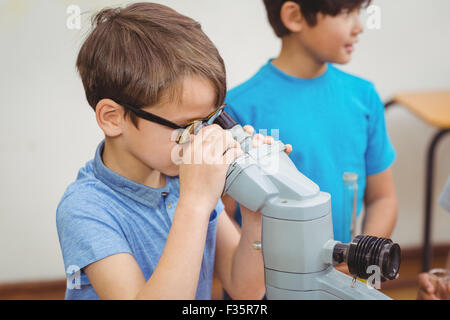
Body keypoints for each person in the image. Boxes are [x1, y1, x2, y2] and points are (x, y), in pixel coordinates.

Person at [56, 2, 291, 300]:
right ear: (113, 118)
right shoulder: (85, 208)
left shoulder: (182, 177)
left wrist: (256, 203)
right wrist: (194, 203)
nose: (203, 137)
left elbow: (246, 289)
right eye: (187, 126)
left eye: (211, 120)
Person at [223, 0, 398, 276]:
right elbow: (222, 218)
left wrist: (357, 261)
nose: (359, 27)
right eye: (345, 13)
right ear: (294, 16)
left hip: (344, 281)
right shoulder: (237, 109)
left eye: (359, 13)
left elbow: (383, 198)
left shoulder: (364, 97)